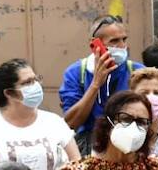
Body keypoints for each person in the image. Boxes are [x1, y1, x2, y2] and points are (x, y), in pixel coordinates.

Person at [0, 58, 80, 170]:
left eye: (36, 80)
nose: (35, 86)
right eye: (27, 83)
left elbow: (78, 167)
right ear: (9, 93)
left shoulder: (54, 122)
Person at [59, 15, 144, 150]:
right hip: (88, 146)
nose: (122, 46)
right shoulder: (76, 73)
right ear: (95, 44)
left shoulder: (137, 71)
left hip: (129, 145)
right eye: (114, 41)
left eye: (124, 39)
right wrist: (95, 84)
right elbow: (71, 123)